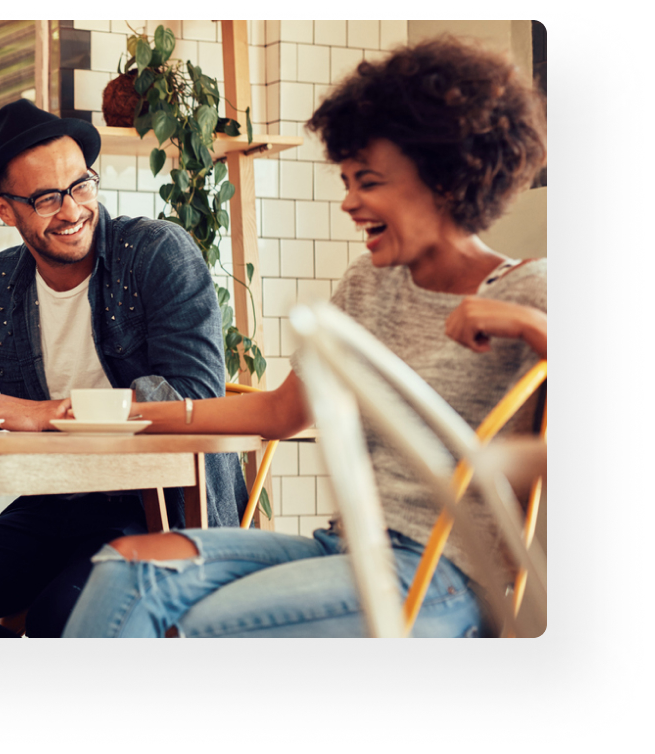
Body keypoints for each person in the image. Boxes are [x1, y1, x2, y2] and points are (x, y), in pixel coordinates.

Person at [64, 37, 547, 638]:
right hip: (345, 547)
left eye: (367, 182)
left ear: (444, 179)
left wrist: (534, 329)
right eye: (345, 180)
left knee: (202, 627)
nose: (348, 201)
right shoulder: (369, 286)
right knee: (125, 570)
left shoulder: (533, 291)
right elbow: (277, 412)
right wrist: (119, 416)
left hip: (445, 576)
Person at [0, 100, 248, 638]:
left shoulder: (155, 254)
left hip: (159, 507)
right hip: (53, 501)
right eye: (46, 198)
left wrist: (44, 415)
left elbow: (194, 395)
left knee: (64, 619)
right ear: (4, 209)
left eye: (81, 186)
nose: (73, 210)